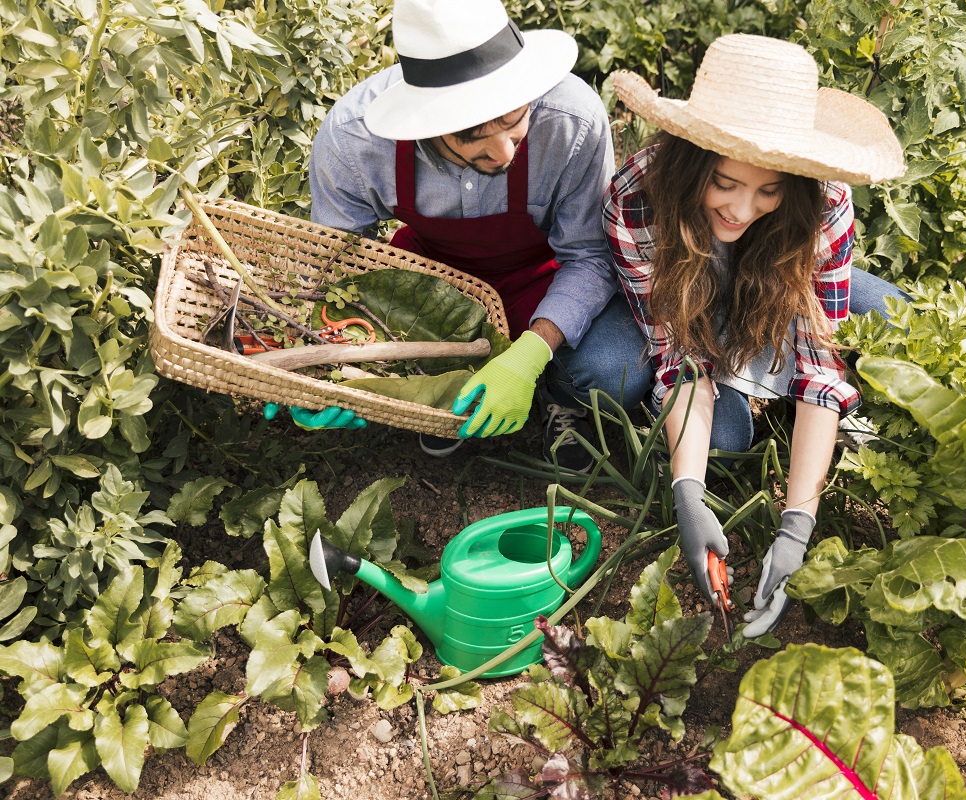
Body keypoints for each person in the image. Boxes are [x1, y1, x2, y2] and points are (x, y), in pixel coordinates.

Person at [267, 0, 654, 470]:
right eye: (472, 136)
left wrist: (529, 356)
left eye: (514, 121)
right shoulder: (355, 140)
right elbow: (336, 267)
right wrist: (325, 364)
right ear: (425, 121)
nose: (503, 150)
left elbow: (590, 257)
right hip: (431, 290)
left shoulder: (572, 120)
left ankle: (556, 392)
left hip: (544, 280)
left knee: (620, 370)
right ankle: (438, 394)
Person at [603, 34, 905, 635]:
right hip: (690, 296)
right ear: (691, 163)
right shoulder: (639, 195)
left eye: (769, 191)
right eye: (724, 184)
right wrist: (687, 489)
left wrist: (798, 524)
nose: (742, 210)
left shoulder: (823, 203)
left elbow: (820, 363)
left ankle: (799, 416)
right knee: (723, 441)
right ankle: (746, 395)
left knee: (892, 317)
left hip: (773, 293)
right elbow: (678, 354)